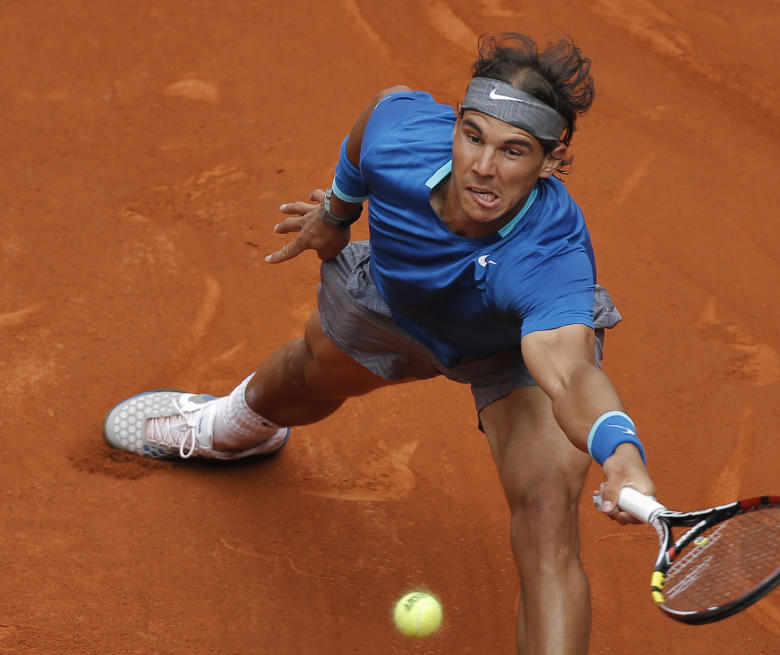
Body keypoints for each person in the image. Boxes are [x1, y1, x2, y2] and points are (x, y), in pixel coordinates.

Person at [103, 33, 655, 655]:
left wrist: (621, 450)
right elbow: (372, 121)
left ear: (551, 162)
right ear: (455, 125)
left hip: (506, 350)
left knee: (548, 513)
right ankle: (232, 428)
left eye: (514, 151)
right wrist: (336, 214)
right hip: (396, 303)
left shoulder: (550, 257)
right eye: (472, 135)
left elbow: (569, 374)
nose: (483, 166)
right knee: (305, 378)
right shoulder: (402, 137)